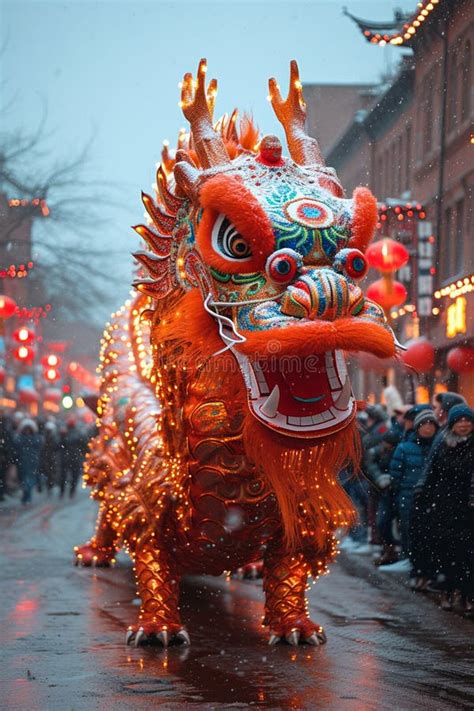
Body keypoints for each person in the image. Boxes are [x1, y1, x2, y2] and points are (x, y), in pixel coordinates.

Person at [418, 404, 473, 612]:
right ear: (452, 423)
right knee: (445, 551)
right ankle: (447, 591)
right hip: (444, 505)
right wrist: (422, 492)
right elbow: (430, 470)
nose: (464, 424)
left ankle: (468, 595)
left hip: (468, 507)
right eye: (460, 421)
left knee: (467, 554)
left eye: (468, 421)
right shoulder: (441, 443)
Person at [381, 409, 439, 573]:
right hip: (408, 494)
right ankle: (409, 558)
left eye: (431, 425)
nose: (427, 428)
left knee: (427, 532)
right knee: (407, 528)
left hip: (431, 496)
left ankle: (424, 566)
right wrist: (400, 491)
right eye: (424, 424)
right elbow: (395, 473)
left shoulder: (438, 446)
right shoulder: (405, 447)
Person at [12, 418, 42, 505]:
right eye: (26, 429)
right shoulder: (19, 439)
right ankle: (26, 496)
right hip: (22, 462)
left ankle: (27, 497)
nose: (28, 431)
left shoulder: (35, 439)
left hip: (32, 463)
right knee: (24, 480)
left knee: (29, 481)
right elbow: (16, 449)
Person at [59, 418, 89, 498]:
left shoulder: (75, 433)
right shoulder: (68, 432)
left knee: (70, 476)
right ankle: (66, 491)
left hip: (71, 457)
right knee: (67, 476)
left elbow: (84, 445)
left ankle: (68, 491)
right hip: (71, 457)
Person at [40, 420, 60, 494]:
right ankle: (48, 485)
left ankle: (50, 485)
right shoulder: (44, 438)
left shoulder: (55, 438)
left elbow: (57, 447)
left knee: (51, 472)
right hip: (46, 457)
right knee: (47, 472)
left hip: (52, 457)